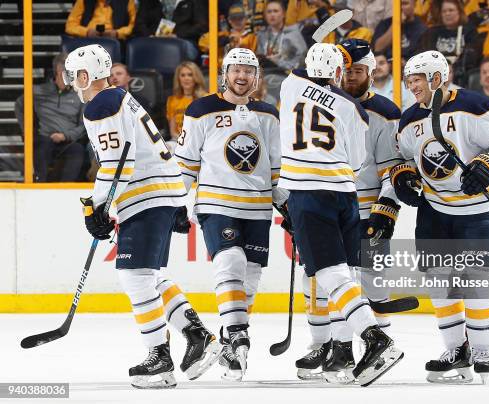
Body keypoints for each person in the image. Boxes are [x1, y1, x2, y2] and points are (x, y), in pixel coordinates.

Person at [63, 44, 221, 389]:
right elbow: (131, 155)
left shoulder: (100, 103)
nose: (73, 82)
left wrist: (97, 205)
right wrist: (176, 199)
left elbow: (117, 164)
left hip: (147, 195)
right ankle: (198, 336)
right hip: (161, 192)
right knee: (148, 275)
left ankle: (159, 358)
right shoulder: (118, 97)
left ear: (87, 75)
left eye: (75, 75)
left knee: (135, 276)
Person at [278, 42, 404, 387]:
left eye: (356, 70)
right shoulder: (354, 110)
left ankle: (376, 340)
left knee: (334, 275)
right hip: (345, 194)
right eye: (343, 70)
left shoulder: (291, 86)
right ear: (337, 72)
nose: (347, 76)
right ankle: (338, 350)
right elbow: (357, 159)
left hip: (315, 194)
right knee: (339, 275)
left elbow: (299, 72)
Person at [392, 50, 489, 384]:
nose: (412, 86)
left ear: (437, 77)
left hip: (475, 212)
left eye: (417, 79)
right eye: (409, 80)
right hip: (434, 210)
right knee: (439, 281)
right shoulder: (409, 120)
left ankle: (482, 350)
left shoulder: (473, 106)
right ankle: (455, 348)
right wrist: (404, 176)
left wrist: (488, 165)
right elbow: (404, 159)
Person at [174, 48, 285, 381]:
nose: (242, 77)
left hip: (258, 207)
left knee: (250, 277)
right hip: (215, 203)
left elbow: (275, 169)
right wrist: (179, 201)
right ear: (224, 74)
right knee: (229, 261)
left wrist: (287, 203)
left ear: (257, 77)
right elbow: (184, 164)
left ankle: (229, 342)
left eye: (248, 72)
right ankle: (239, 334)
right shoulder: (201, 109)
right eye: (236, 70)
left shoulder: (268, 113)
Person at [14, 53, 86, 182]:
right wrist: (26, 129)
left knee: (78, 150)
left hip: (68, 140)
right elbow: (20, 104)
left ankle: (66, 190)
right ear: (57, 71)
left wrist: (66, 136)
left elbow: (83, 125)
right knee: (42, 146)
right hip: (44, 138)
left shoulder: (80, 94)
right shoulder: (38, 91)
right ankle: (39, 184)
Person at [132, 0, 208, 60]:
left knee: (175, 48)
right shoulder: (148, 2)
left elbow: (201, 26)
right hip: (154, 40)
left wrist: (177, 35)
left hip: (185, 40)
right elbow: (139, 24)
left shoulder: (194, 2)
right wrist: (150, 36)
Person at [416, 0, 479, 67]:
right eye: (444, 11)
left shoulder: (469, 31)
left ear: (459, 12)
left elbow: (471, 57)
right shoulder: (431, 33)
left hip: (460, 72)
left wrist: (453, 68)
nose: (447, 14)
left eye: (451, 10)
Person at [256, 0, 308, 71]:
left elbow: (302, 58)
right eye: (269, 12)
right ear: (265, 15)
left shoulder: (293, 33)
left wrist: (278, 62)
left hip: (287, 74)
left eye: (275, 11)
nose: (272, 14)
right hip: (266, 74)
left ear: (284, 14)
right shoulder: (262, 35)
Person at [166, 61, 207, 141]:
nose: (186, 78)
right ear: (178, 78)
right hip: (179, 140)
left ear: (196, 77)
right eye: (183, 75)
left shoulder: (205, 98)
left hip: (201, 140)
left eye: (190, 75)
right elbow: (173, 132)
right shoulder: (172, 100)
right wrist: (183, 141)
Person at [65, 0, 136, 40]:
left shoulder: (128, 1)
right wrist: (87, 32)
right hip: (88, 40)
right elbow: (70, 26)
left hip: (116, 41)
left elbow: (133, 26)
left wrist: (117, 33)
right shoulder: (83, 1)